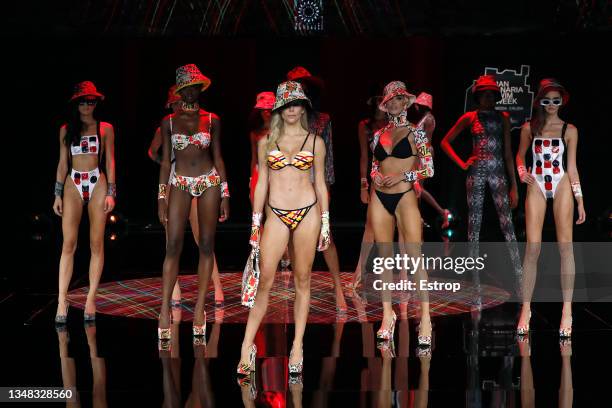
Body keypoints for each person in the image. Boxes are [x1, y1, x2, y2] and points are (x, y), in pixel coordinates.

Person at [238, 81, 330, 377]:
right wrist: (255, 222)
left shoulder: (316, 141)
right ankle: (246, 346)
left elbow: (320, 183)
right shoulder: (265, 141)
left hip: (308, 211)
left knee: (303, 280)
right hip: (275, 213)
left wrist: (326, 222)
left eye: (296, 104)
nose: (291, 110)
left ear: (303, 108)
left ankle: (298, 346)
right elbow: (261, 182)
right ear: (279, 108)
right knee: (264, 281)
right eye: (286, 105)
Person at [157, 64, 230, 341]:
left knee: (207, 245)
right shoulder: (169, 122)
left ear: (200, 88)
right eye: (186, 87)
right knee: (173, 244)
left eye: (195, 86)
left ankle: (200, 309)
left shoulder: (212, 119)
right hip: (180, 182)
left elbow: (219, 157)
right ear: (179, 90)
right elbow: (165, 161)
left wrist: (225, 193)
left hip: (209, 180)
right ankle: (164, 308)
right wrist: (161, 197)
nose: (191, 90)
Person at [515, 79, 585, 338]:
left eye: (556, 100)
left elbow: (573, 167)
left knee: (565, 246)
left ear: (561, 101)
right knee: (533, 248)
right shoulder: (528, 128)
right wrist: (522, 171)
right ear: (540, 102)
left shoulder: (570, 129)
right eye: (547, 100)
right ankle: (525, 309)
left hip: (562, 182)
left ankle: (567, 310)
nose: (552, 105)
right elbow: (520, 155)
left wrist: (579, 198)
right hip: (536, 182)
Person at [441, 74, 522, 295]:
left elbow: (507, 153)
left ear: (496, 95)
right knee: (473, 224)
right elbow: (445, 142)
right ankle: (474, 275)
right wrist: (463, 162)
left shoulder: (503, 117)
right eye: (484, 93)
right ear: (478, 96)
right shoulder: (470, 117)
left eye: (491, 94)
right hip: (476, 172)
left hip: (497, 172)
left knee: (507, 222)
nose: (488, 97)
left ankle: (518, 273)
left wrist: (514, 186)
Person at [369, 81, 434, 347]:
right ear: (385, 105)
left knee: (415, 256)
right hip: (380, 196)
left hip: (406, 194)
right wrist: (375, 177)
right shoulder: (377, 134)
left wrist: (402, 176)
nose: (394, 104)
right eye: (390, 101)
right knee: (384, 257)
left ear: (406, 102)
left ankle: (426, 318)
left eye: (398, 100)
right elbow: (374, 165)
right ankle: (387, 315)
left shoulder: (417, 133)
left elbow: (429, 169)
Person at [148, 85, 225, 308]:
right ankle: (175, 291)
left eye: (177, 101)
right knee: (171, 237)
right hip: (176, 176)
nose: (177, 105)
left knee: (202, 236)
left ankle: (217, 287)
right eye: (173, 102)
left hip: (199, 175)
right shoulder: (167, 124)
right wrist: (167, 163)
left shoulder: (204, 120)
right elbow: (152, 151)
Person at [53, 81, 116, 324]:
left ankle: (91, 297)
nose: (87, 105)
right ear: (75, 103)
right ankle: (62, 299)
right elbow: (62, 163)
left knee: (96, 243)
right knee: (68, 243)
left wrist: (111, 191)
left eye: (91, 101)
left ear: (96, 103)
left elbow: (110, 161)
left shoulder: (105, 128)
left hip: (97, 182)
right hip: (73, 183)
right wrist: (57, 193)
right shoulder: (66, 129)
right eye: (83, 101)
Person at [287, 66, 347, 313]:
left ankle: (338, 288)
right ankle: (297, 283)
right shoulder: (285, 117)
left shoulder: (323, 119)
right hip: (290, 181)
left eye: (303, 86)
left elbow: (329, 157)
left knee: (326, 235)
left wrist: (328, 188)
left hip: (316, 181)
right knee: (291, 234)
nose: (300, 90)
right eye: (296, 87)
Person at [412, 92, 452, 229]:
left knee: (418, 187)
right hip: (422, 153)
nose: (415, 107)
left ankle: (442, 212)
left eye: (417, 104)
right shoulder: (424, 118)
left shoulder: (428, 119)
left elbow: (425, 141)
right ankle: (417, 217)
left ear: (423, 105)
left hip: (424, 153)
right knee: (415, 187)